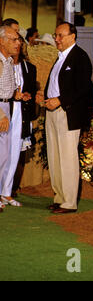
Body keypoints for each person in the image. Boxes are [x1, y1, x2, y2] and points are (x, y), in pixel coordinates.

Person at [39, 22, 93, 214]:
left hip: (68, 113)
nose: (57, 39)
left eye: (61, 35)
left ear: (73, 36)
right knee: (54, 156)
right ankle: (59, 197)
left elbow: (84, 88)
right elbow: (56, 83)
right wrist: (45, 98)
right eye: (56, 35)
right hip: (52, 111)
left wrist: (60, 100)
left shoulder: (80, 57)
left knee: (68, 158)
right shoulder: (60, 57)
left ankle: (70, 202)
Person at [0, 35, 37, 206]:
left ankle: (6, 192)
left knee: (12, 152)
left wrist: (25, 96)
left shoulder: (27, 67)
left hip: (18, 113)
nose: (18, 44)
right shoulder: (4, 62)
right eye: (14, 39)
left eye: (19, 41)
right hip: (6, 110)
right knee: (3, 152)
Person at [0, 26, 21, 214]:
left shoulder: (8, 61)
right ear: (2, 41)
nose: (18, 43)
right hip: (1, 109)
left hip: (7, 106)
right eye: (14, 39)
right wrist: (1, 114)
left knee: (4, 155)